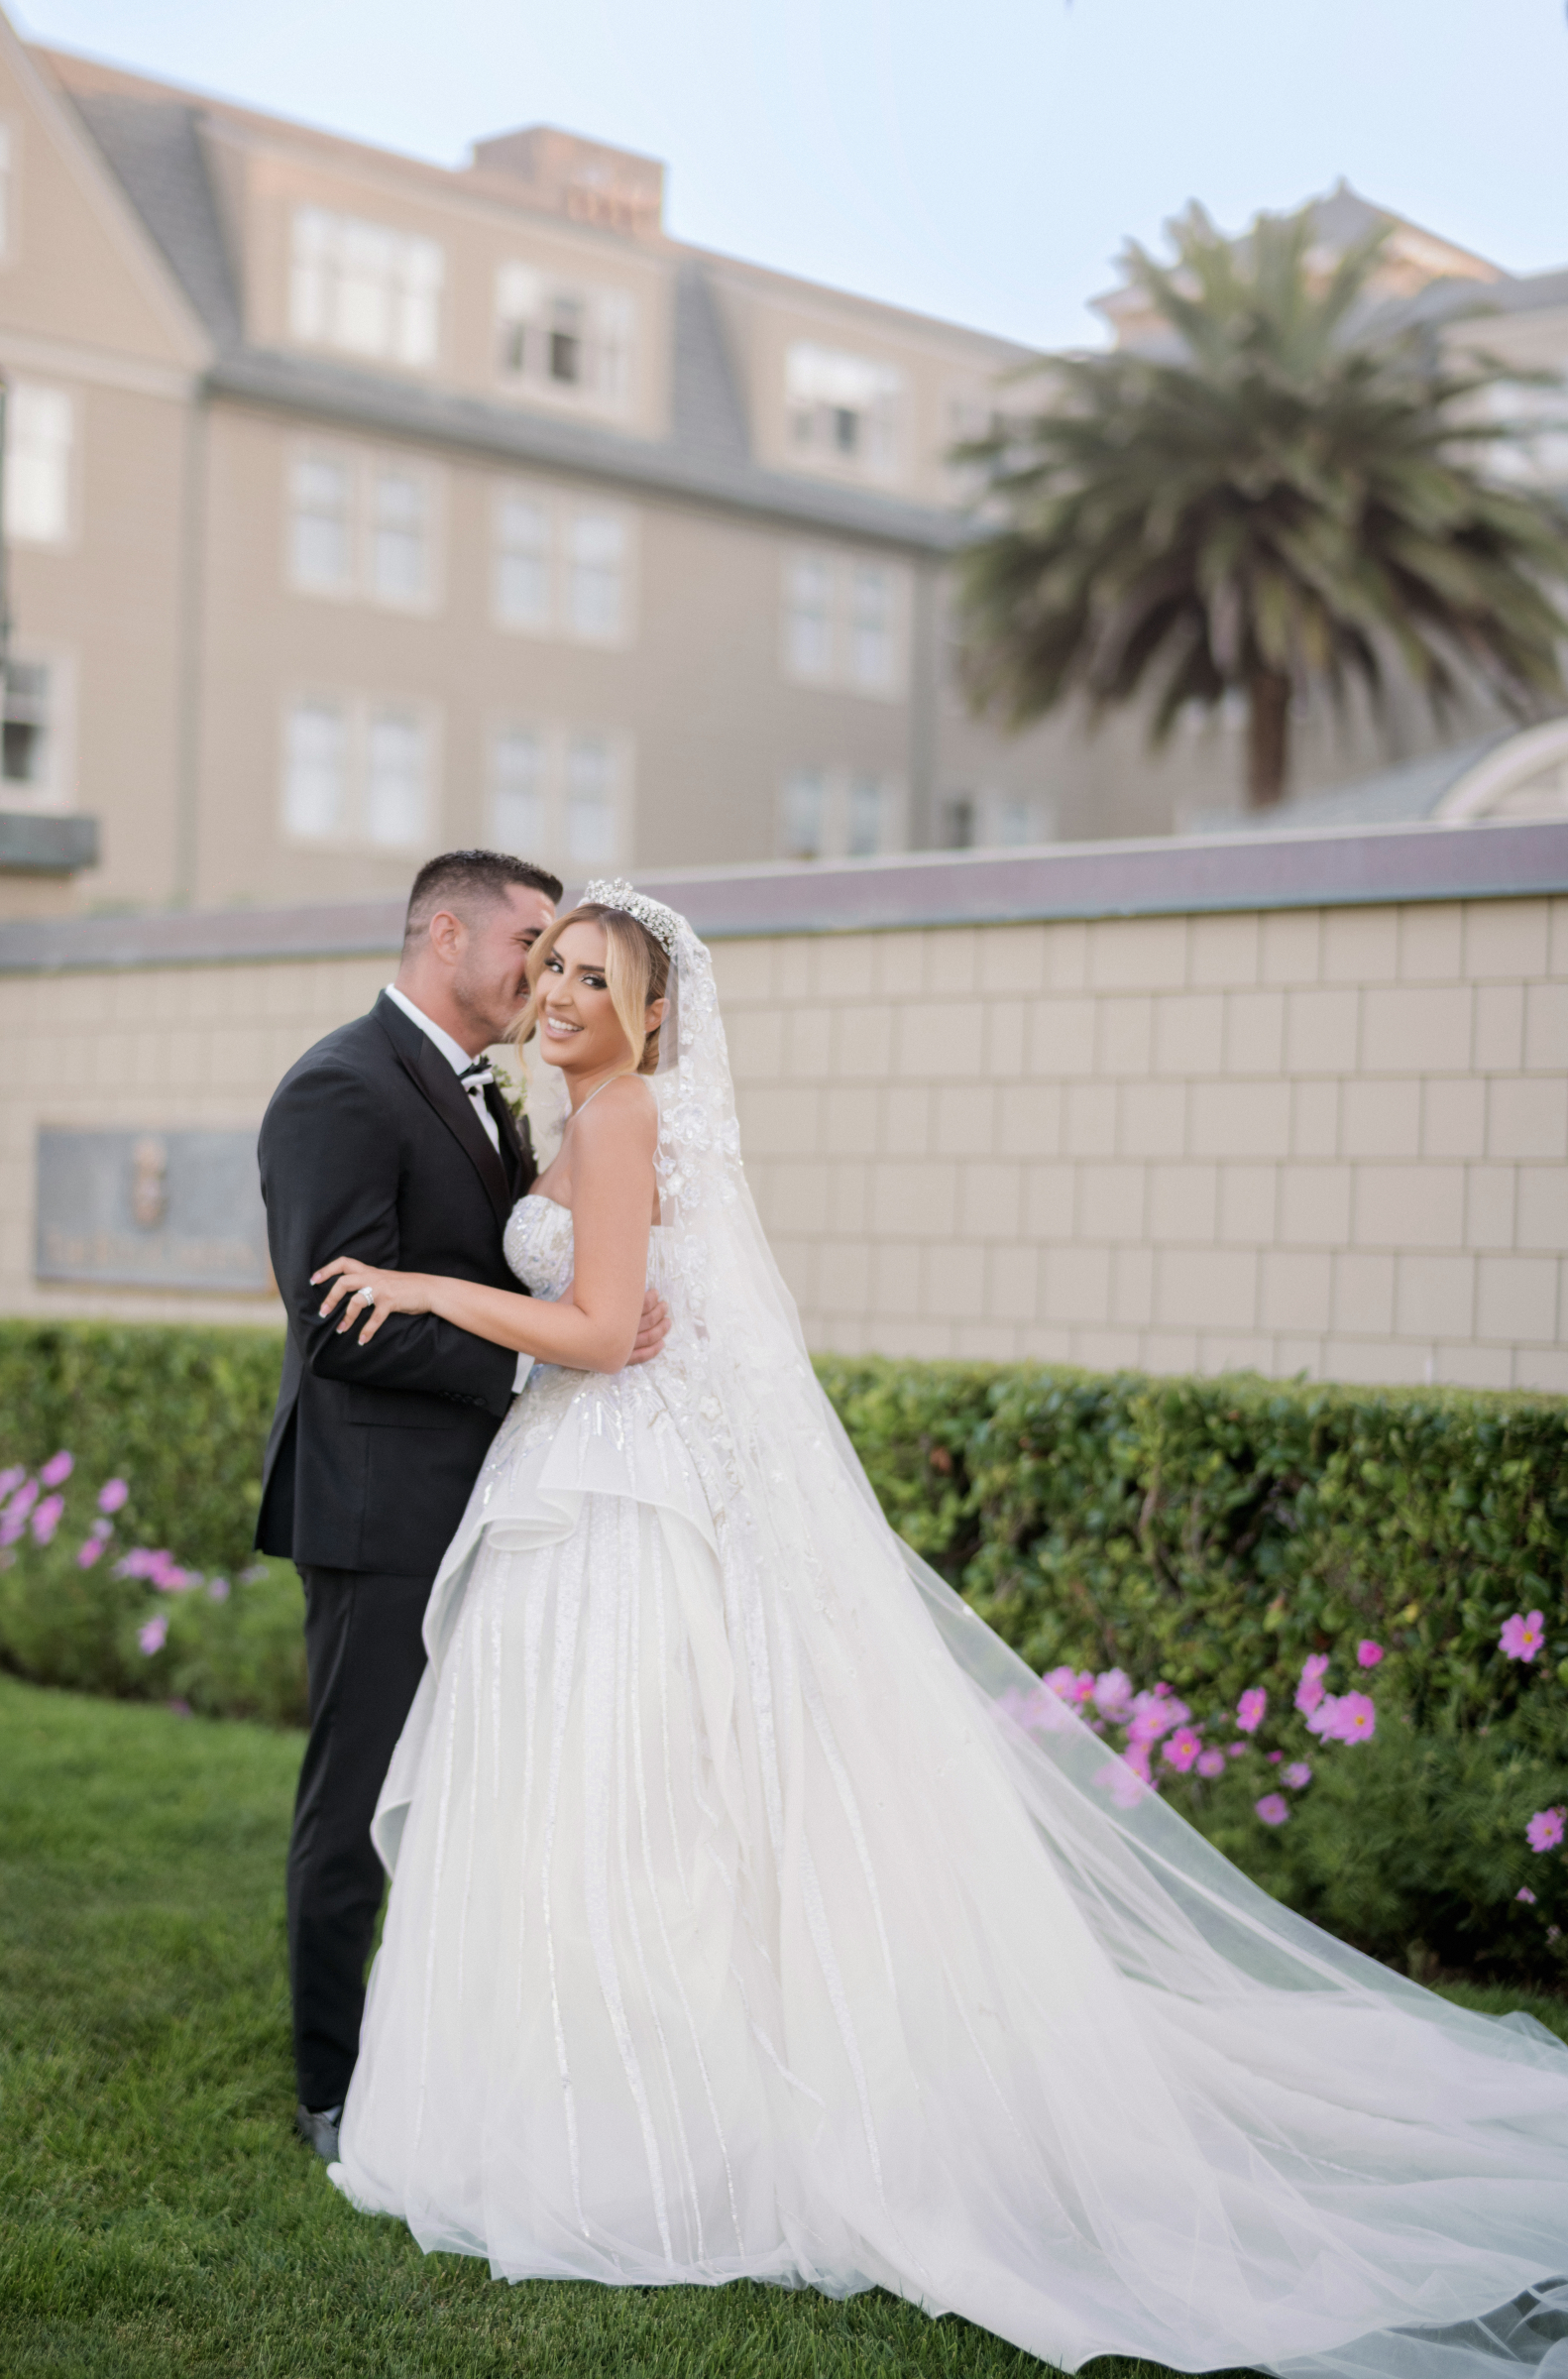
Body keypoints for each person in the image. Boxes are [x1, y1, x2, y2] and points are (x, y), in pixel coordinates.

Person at [309, 880, 1568, 2379]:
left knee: (639, 1793)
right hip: (584, 1469)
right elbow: (604, 1314)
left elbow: (594, 1328)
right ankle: (556, 2092)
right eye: (557, 966)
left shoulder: (625, 1114)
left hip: (625, 1486)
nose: (566, 990)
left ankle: (657, 2128)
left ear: (651, 1014)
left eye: (597, 975)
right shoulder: (573, 1117)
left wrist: (423, 1286)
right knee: (582, 1791)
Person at [254, 850, 668, 2161]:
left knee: (479, 1789)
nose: (544, 974)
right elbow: (340, 1319)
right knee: (356, 1802)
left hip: (496, 1497)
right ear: (445, 932)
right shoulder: (340, 1085)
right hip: (380, 1510)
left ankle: (450, 2053)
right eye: (531, 944)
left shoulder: (498, 1095)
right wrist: (545, 1362)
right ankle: (331, 2087)